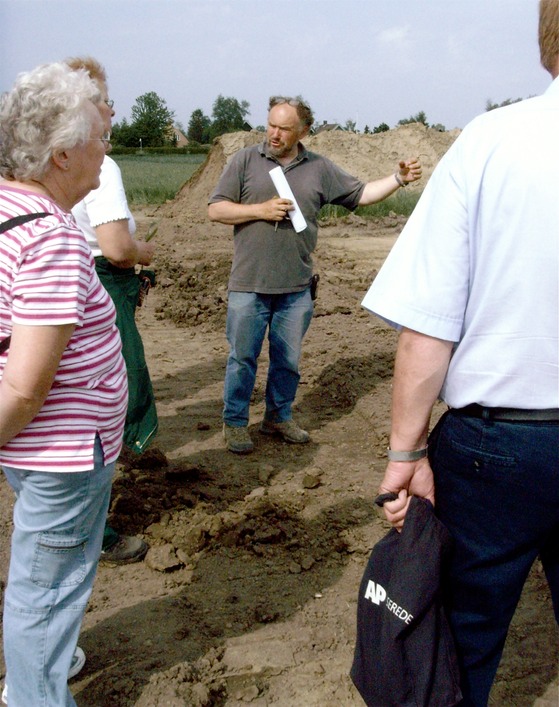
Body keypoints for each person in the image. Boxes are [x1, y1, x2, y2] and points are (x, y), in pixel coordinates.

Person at [360, 1, 559, 704]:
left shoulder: (490, 142)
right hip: (499, 442)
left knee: (460, 640)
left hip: (494, 446)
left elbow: (426, 326)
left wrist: (403, 453)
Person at [0, 62, 128, 705]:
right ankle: (34, 692)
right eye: (99, 138)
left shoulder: (7, 209)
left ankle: (45, 658)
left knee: (49, 578)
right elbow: (24, 389)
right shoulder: (52, 240)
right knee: (45, 589)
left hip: (35, 452)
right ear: (61, 155)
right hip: (63, 455)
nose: (108, 149)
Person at [208, 96, 422, 454]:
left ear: (304, 131)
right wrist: (260, 210)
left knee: (287, 361)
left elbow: (362, 194)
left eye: (284, 129)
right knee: (242, 358)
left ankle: (278, 417)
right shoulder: (245, 160)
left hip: (296, 288)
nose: (274, 135)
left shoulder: (319, 168)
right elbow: (216, 209)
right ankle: (235, 423)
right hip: (249, 285)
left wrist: (398, 179)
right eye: (271, 125)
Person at [67, 56, 158, 565]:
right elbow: (117, 246)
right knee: (112, 393)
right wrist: (145, 252)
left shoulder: (28, 167)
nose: (113, 110)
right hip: (101, 283)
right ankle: (92, 531)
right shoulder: (101, 165)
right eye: (105, 100)